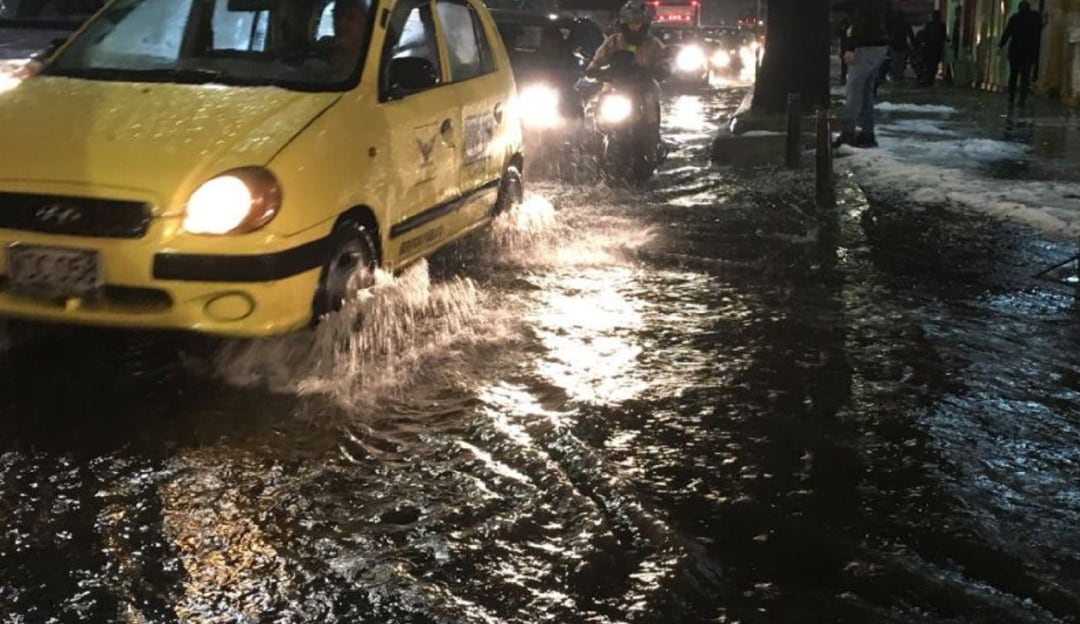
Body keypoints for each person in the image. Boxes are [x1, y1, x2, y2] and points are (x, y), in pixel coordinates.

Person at [585, 1, 665, 151]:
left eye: (638, 23)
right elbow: (597, 60)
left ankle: (652, 146)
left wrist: (660, 70)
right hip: (615, 88)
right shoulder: (613, 41)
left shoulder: (654, 44)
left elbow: (663, 63)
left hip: (643, 87)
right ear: (623, 23)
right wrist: (593, 70)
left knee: (650, 105)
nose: (635, 26)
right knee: (598, 109)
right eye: (631, 23)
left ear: (646, 24)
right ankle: (595, 143)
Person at [834, 0, 890, 149]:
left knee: (854, 91)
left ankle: (848, 133)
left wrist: (851, 47)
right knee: (866, 92)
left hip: (864, 46)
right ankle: (867, 133)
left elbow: (860, 22)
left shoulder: (862, 6)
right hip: (879, 45)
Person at [999, 1, 1043, 110]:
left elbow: (1007, 32)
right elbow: (1039, 30)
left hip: (1015, 51)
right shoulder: (1034, 18)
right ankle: (1022, 98)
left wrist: (1001, 44)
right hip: (1028, 52)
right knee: (1025, 75)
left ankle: (1011, 97)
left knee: (1013, 75)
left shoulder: (1015, 18)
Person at [325, 0, 368, 78]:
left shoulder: (369, 58)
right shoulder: (323, 52)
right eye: (337, 17)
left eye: (351, 18)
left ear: (365, 23)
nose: (341, 25)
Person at [914, 10, 946, 86]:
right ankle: (931, 79)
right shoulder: (941, 26)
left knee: (928, 64)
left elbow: (924, 35)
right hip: (937, 48)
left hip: (929, 48)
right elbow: (943, 37)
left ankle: (927, 79)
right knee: (934, 65)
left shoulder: (929, 25)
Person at [886, 8, 914, 81]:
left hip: (894, 45)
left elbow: (889, 34)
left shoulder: (893, 23)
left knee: (894, 62)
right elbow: (911, 35)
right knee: (901, 62)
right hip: (902, 45)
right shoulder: (906, 24)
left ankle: (894, 76)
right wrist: (914, 44)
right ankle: (899, 75)